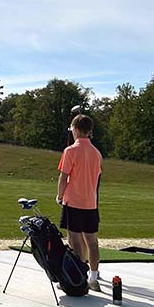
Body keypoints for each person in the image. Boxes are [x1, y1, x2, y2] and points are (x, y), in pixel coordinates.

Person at [56, 114, 103, 292]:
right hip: (90, 203)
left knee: (74, 240)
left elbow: (64, 176)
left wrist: (59, 195)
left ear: (75, 129)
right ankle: (93, 276)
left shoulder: (70, 151)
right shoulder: (96, 153)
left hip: (74, 201)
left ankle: (76, 276)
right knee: (92, 241)